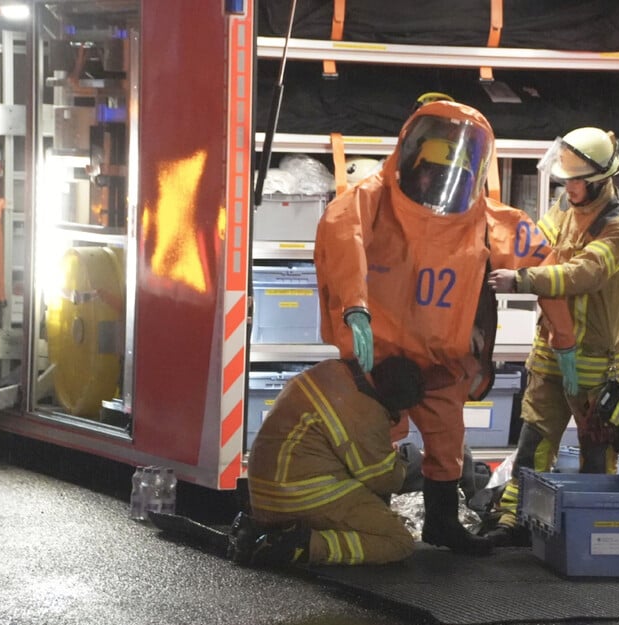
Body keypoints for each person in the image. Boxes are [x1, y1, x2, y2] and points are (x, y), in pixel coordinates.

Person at [313, 99, 576, 555]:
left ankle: (441, 523)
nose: (436, 181)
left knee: (447, 442)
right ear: (412, 158)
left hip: (442, 362)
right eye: (430, 169)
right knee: (372, 441)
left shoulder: (489, 220)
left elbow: (544, 266)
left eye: (448, 170)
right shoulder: (372, 198)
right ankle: (368, 517)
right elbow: (342, 236)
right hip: (383, 357)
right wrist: (355, 307)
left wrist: (566, 341)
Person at [484, 126, 619, 546]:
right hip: (550, 349)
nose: (569, 187)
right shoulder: (564, 205)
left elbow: (584, 274)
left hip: (597, 358)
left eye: (577, 180)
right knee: (533, 441)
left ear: (599, 180)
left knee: (597, 451)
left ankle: (595, 531)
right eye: (566, 179)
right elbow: (538, 245)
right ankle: (515, 519)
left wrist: (521, 281)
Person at [229, 355, 425, 567]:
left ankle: (258, 531)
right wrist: (407, 461)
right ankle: (301, 545)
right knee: (398, 541)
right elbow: (385, 480)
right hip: (305, 495)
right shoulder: (366, 412)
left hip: (265, 494)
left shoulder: (333, 370)